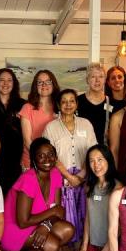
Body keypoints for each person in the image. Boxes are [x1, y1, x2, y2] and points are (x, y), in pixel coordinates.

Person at [1, 138, 75, 251]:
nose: (47, 160)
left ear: (56, 156)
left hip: (37, 223)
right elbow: (23, 222)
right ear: (33, 159)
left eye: (51, 154)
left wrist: (46, 225)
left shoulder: (56, 174)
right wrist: (52, 212)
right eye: (41, 156)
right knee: (51, 246)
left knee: (68, 230)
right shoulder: (28, 180)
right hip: (14, 229)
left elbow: (58, 213)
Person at [43, 89, 97, 242]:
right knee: (63, 216)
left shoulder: (86, 124)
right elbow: (50, 157)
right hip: (61, 180)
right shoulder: (50, 127)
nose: (68, 104)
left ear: (76, 103)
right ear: (59, 105)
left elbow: (93, 152)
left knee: (84, 214)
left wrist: (80, 176)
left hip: (84, 178)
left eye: (72, 101)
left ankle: (82, 248)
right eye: (64, 101)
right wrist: (69, 177)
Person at [65, 145, 120, 251]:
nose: (96, 165)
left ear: (108, 160)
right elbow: (89, 217)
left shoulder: (118, 188)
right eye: (92, 161)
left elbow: (119, 229)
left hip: (109, 249)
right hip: (93, 245)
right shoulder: (89, 186)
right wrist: (83, 247)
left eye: (100, 160)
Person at [0, 68, 26, 193]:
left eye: (9, 80)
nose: (5, 84)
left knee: (14, 200)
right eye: (2, 80)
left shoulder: (23, 105)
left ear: (14, 83)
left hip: (17, 160)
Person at [19, 70, 59, 170]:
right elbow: (27, 141)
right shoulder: (27, 108)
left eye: (48, 81)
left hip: (55, 162)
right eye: (40, 82)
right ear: (35, 86)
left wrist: (51, 159)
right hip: (33, 162)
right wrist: (42, 159)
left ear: (53, 84)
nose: (44, 85)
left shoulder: (59, 107)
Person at [77, 63, 112, 145]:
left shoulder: (111, 103)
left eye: (101, 76)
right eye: (93, 77)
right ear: (87, 80)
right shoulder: (77, 101)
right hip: (81, 150)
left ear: (105, 79)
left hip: (102, 152)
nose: (97, 80)